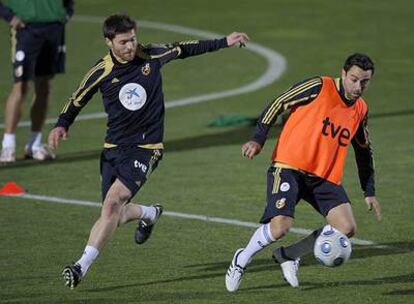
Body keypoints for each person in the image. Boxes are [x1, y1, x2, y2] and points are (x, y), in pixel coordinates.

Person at [48, 13, 249, 289]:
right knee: (113, 216)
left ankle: (80, 267)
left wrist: (224, 41)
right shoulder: (102, 70)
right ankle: (149, 214)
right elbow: (77, 98)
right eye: (123, 42)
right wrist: (61, 125)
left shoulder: (152, 55)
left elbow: (185, 49)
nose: (130, 46)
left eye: (132, 39)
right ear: (109, 42)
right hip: (114, 148)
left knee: (110, 205)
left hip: (147, 147)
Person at [225, 53, 382, 292]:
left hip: (324, 176)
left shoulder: (360, 109)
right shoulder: (319, 86)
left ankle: (289, 255)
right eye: (354, 79)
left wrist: (368, 191)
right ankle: (241, 259)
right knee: (280, 227)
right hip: (289, 167)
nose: (358, 87)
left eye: (365, 82)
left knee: (347, 228)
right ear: (343, 73)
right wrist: (258, 139)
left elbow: (363, 149)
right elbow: (278, 103)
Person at [0, 0, 74, 163]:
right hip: (26, 28)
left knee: (44, 85)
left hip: (53, 27)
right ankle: (8, 145)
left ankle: (34, 144)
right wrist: (8, 15)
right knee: (21, 85)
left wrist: (67, 12)